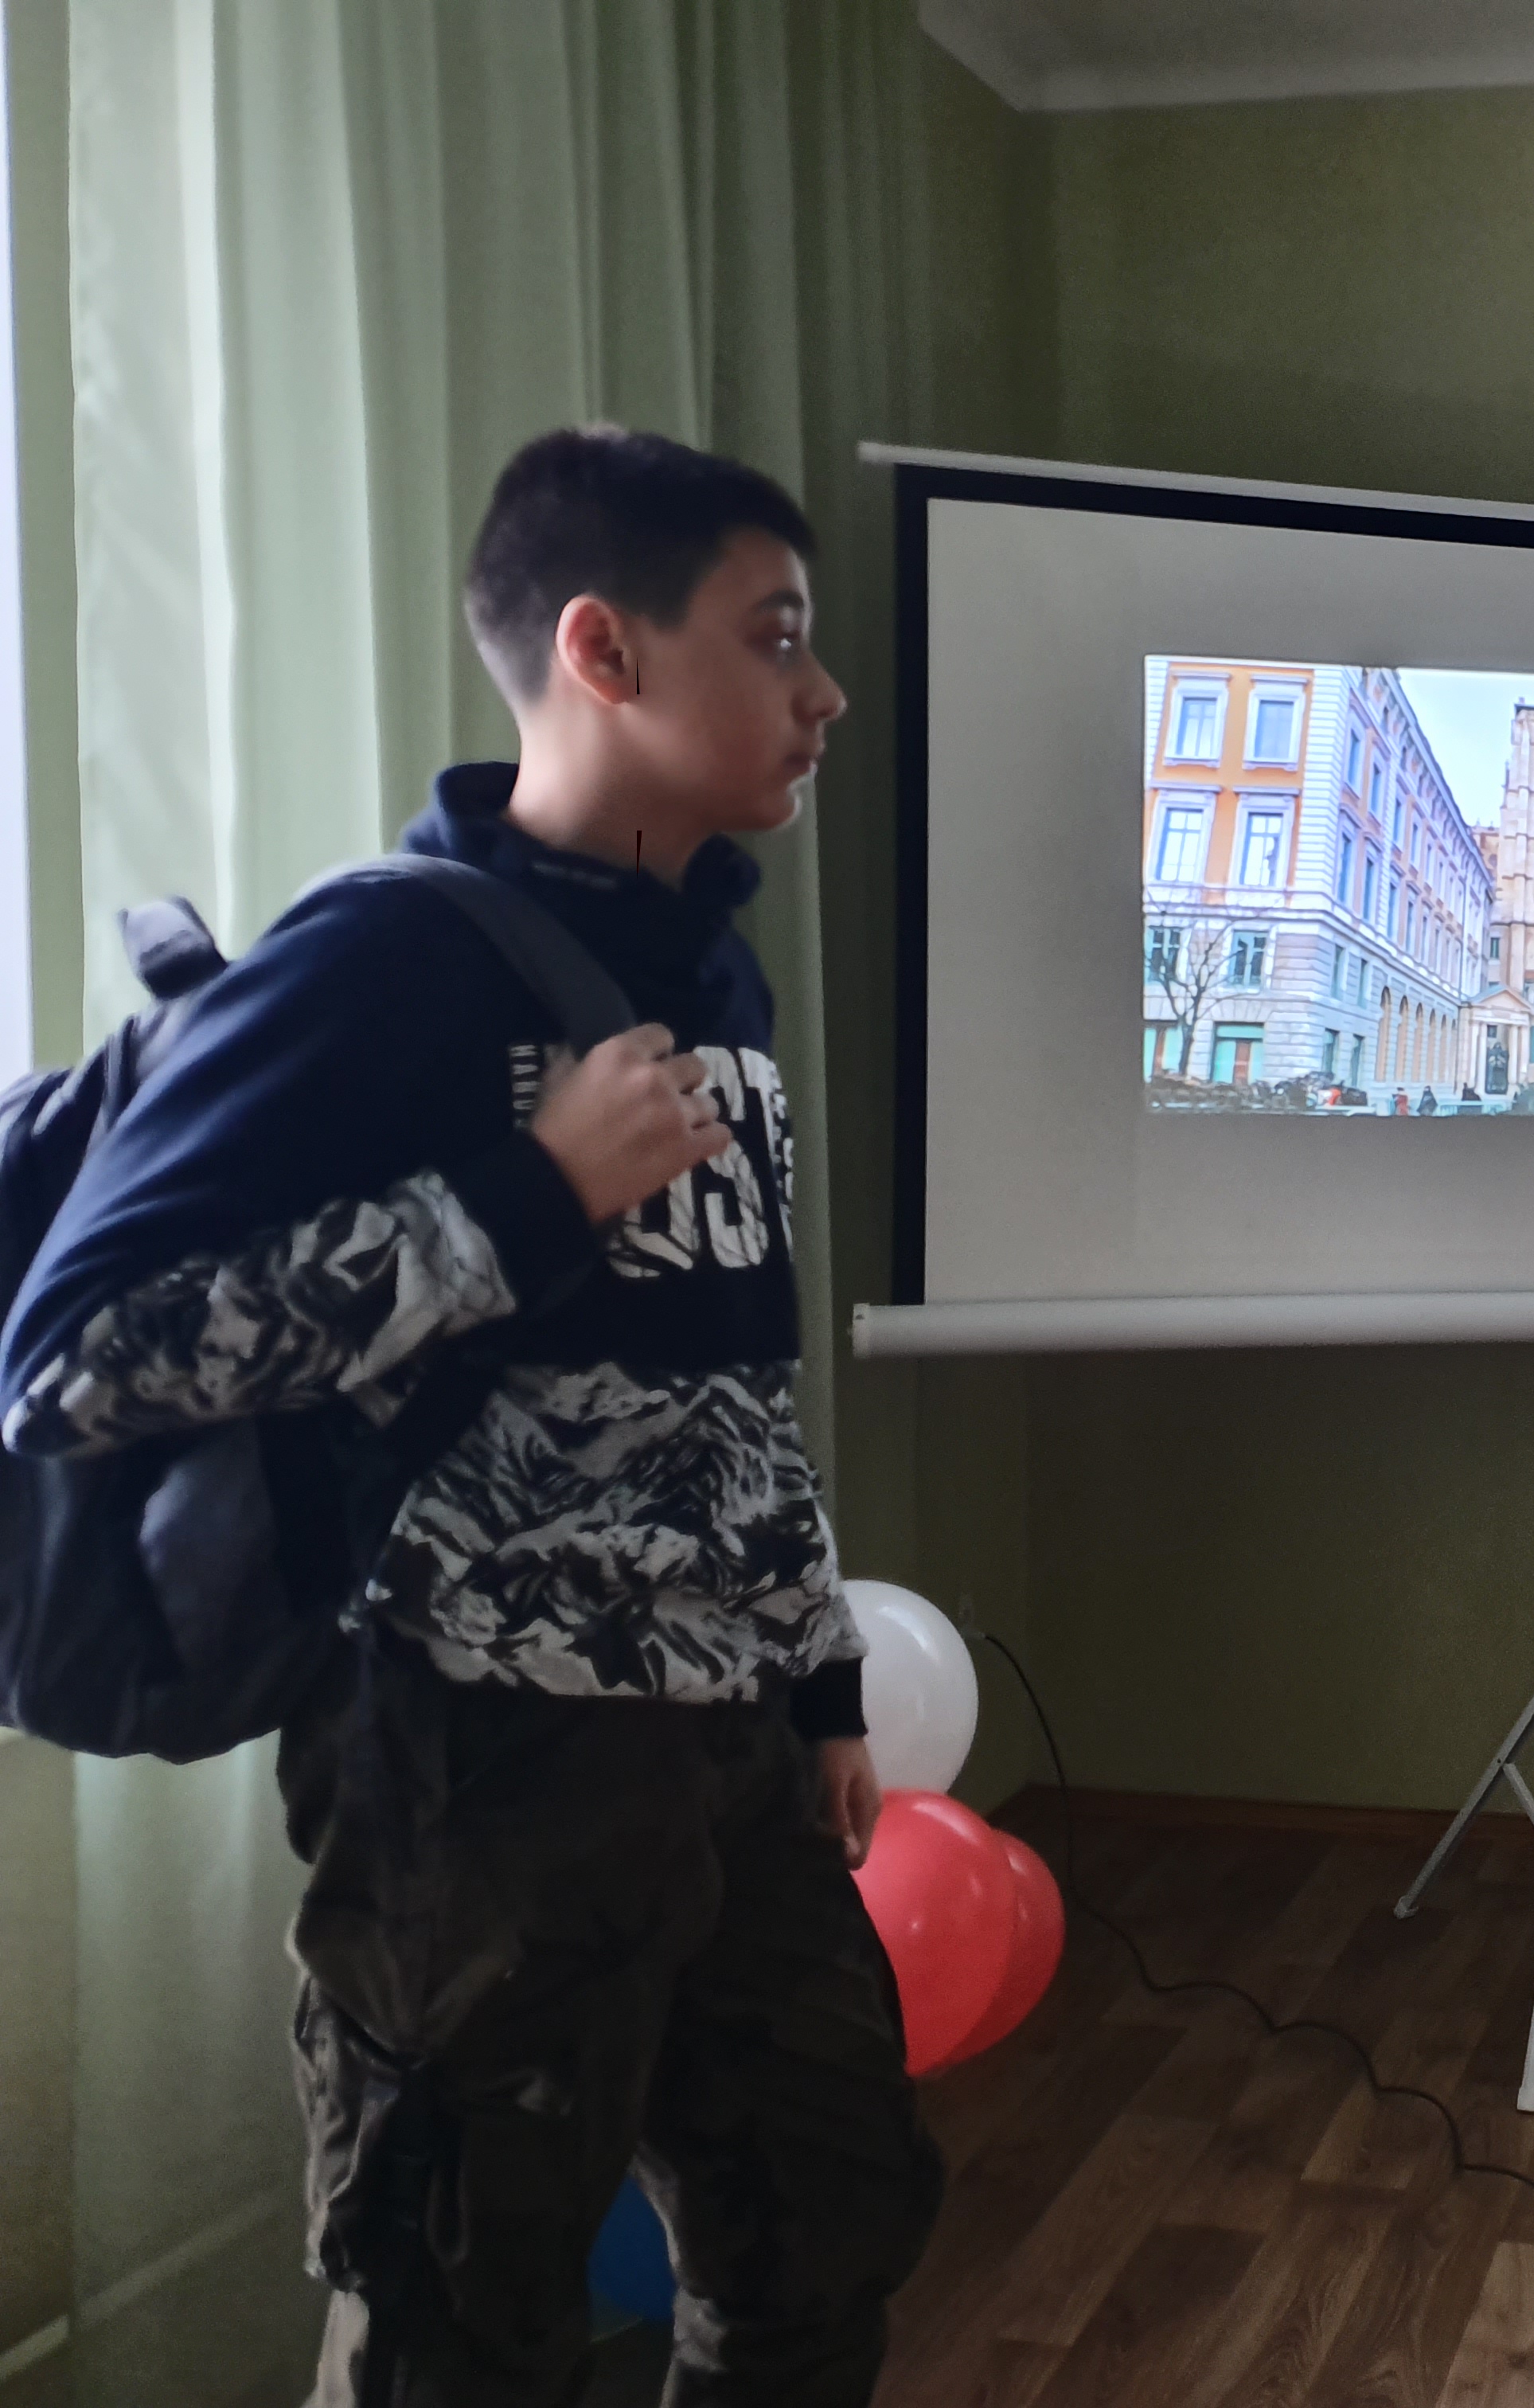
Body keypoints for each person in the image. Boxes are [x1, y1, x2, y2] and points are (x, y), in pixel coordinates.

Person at [0, 428, 943, 2400]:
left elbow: (728, 1376)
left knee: (827, 2227)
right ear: (602, 649)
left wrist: (816, 1681)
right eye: (777, 636)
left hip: (728, 1750)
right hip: (474, 1771)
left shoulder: (710, 966)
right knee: (459, 2318)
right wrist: (524, 1198)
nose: (826, 693)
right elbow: (78, 1359)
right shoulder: (383, 961)